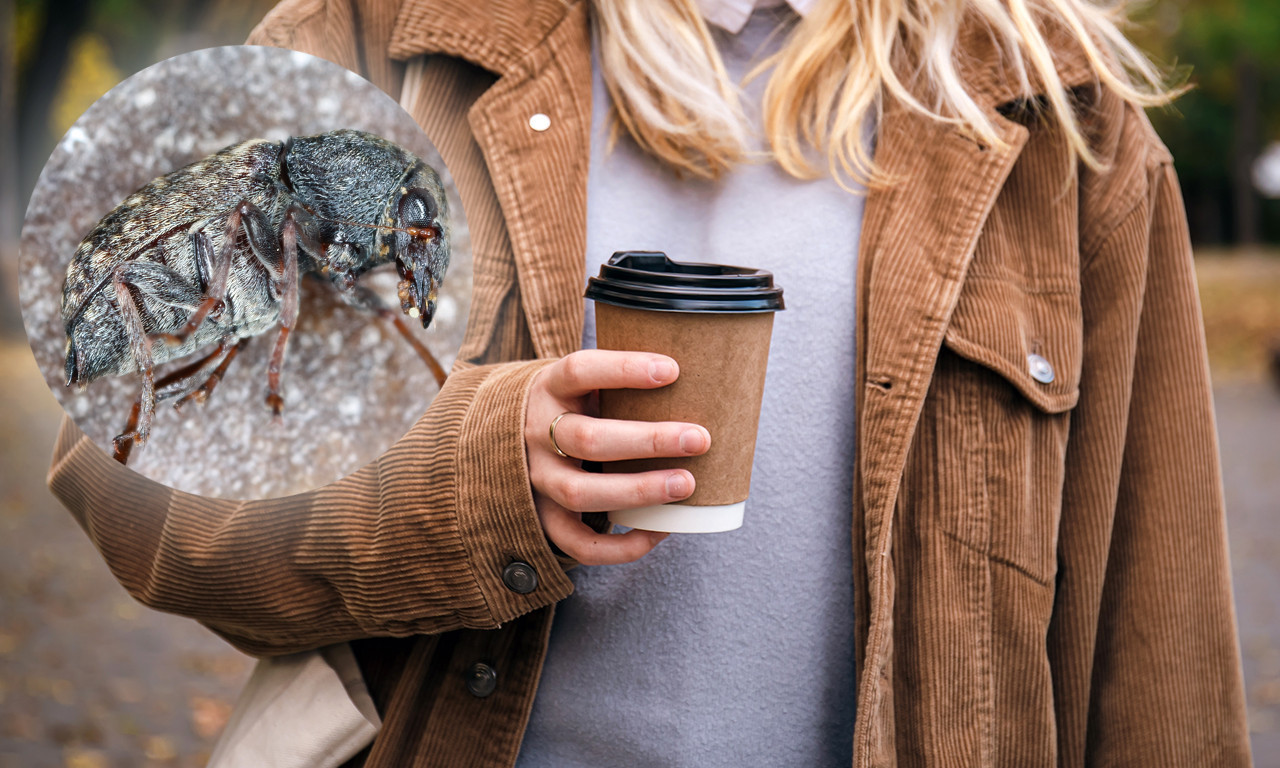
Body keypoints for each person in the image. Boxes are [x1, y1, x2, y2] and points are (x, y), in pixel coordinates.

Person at [49, 0, 1252, 765]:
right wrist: (470, 469)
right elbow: (123, 448)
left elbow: (1158, 665)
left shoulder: (1059, 112)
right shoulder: (383, 36)